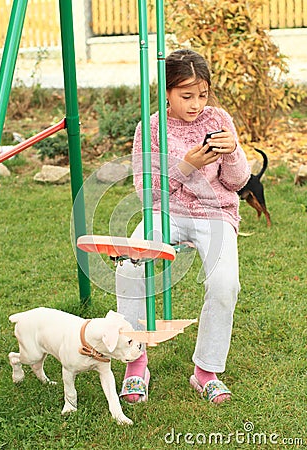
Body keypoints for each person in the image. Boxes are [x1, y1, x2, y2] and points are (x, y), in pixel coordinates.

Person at [116, 49, 251, 404]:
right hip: (167, 211)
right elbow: (146, 192)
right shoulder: (151, 127)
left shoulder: (218, 118)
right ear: (167, 92)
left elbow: (237, 182)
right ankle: (136, 362)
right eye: (186, 95)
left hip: (216, 213)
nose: (196, 104)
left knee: (225, 284)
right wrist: (186, 166)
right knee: (130, 265)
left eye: (202, 95)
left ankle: (206, 371)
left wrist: (234, 150)